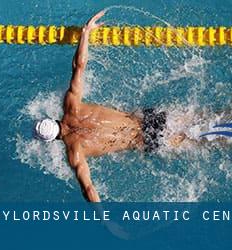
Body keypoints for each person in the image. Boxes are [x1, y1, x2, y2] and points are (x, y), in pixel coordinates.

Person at [34, 11, 186, 202]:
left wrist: (105, 221)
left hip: (147, 140)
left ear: (52, 140)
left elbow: (88, 189)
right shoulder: (71, 105)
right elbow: (79, 66)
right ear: (52, 119)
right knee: (202, 118)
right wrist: (85, 33)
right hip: (148, 118)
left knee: (204, 141)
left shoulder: (75, 152)